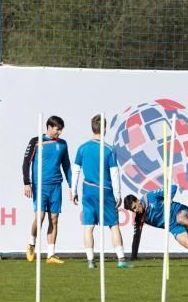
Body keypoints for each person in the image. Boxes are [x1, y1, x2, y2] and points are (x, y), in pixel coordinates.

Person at [73, 114, 130, 269]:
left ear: (92, 127)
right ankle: (121, 259)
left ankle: (91, 261)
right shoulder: (109, 150)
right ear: (105, 129)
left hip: (88, 191)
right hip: (105, 191)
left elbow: (76, 171)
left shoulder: (82, 148)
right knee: (114, 225)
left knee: (88, 226)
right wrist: (118, 194)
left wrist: (73, 191)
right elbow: (115, 173)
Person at [22, 115, 73, 264]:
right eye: (58, 129)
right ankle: (31, 244)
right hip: (40, 186)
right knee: (40, 217)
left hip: (56, 186)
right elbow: (26, 163)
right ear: (49, 127)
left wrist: (72, 186)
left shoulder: (62, 144)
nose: (60, 133)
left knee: (54, 219)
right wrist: (27, 183)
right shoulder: (36, 141)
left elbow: (67, 165)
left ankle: (50, 255)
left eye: (61, 130)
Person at [123, 185, 188, 259]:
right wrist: (133, 256)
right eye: (133, 210)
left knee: (180, 219)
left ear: (137, 201)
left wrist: (168, 199)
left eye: (135, 207)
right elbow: (136, 237)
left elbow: (173, 187)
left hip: (179, 211)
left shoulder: (150, 196)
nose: (135, 211)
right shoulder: (139, 218)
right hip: (173, 227)